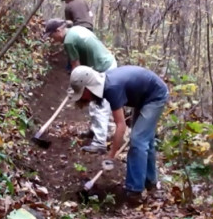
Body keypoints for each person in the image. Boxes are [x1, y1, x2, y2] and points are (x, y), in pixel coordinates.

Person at [68, 65, 169, 203]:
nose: (82, 97)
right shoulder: (107, 84)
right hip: (144, 97)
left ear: (88, 87)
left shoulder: (111, 88)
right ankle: (150, 181)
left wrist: (111, 156)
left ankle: (134, 191)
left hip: (155, 97)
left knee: (138, 139)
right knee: (145, 138)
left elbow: (120, 125)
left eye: (81, 92)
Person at [44, 18, 117, 154]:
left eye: (52, 35)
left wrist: (75, 86)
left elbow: (76, 68)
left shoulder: (69, 41)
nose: (52, 39)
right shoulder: (76, 30)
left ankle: (100, 143)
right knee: (94, 102)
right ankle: (95, 131)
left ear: (58, 30)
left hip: (103, 69)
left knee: (99, 105)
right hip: (107, 63)